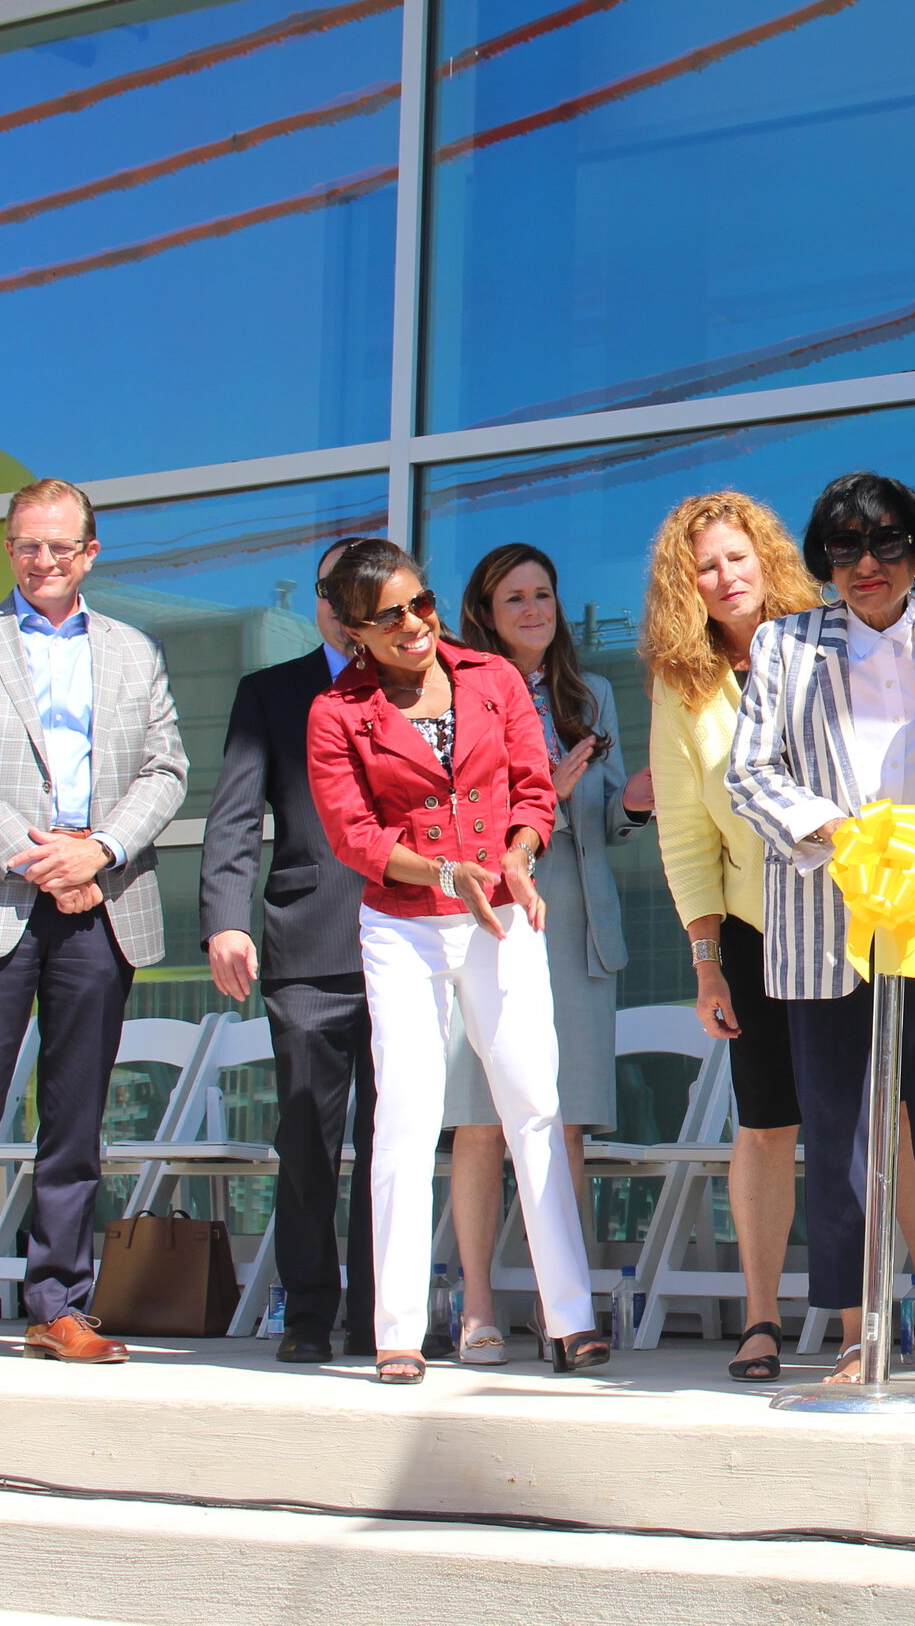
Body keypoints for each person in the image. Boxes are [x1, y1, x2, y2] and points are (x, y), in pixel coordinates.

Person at [728, 475, 915, 1394]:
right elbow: (750, 772)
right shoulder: (784, 643)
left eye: (887, 544)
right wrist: (841, 837)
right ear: (821, 560)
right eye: (845, 547)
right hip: (826, 918)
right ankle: (858, 1335)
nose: (866, 565)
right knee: (841, 1135)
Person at [0, 478, 189, 1369]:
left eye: (62, 546)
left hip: (102, 899)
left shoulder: (135, 652)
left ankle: (56, 1303)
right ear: (8, 547)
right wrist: (42, 860)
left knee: (76, 1116)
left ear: (90, 554)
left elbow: (167, 770)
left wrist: (96, 852)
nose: (44, 561)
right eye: (28, 545)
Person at [304, 538, 604, 1383]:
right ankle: (396, 1331)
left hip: (502, 915)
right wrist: (443, 870)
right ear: (355, 630)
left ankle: (570, 1317)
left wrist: (517, 854)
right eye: (389, 616)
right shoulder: (337, 712)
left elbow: (532, 786)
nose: (414, 624)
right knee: (405, 1113)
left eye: (422, 603)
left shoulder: (494, 678)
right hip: (404, 924)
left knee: (534, 1104)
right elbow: (354, 835)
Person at [440, 544, 656, 1365]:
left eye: (543, 595)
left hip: (572, 924)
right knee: (483, 1122)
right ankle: (479, 1308)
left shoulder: (590, 693)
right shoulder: (457, 694)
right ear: (485, 615)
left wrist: (635, 802)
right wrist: (543, 800)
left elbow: (611, 823)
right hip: (486, 913)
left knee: (563, 1124)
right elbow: (450, 815)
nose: (533, 610)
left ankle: (562, 1311)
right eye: (514, 599)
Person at [640, 491, 821, 1384]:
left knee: (881, 1117)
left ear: (767, 560)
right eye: (705, 565)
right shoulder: (684, 686)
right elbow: (684, 832)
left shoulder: (830, 640)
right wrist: (708, 963)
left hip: (852, 914)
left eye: (737, 558)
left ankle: (889, 1311)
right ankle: (760, 1318)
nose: (724, 577)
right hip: (751, 929)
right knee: (766, 1123)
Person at [200, 536, 379, 1364]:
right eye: (330, 590)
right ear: (316, 601)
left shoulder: (429, 685)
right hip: (306, 940)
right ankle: (308, 1317)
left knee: (396, 1144)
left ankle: (386, 1321)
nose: (345, 606)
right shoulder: (271, 692)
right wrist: (224, 919)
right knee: (306, 1139)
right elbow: (235, 817)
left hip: (411, 941)